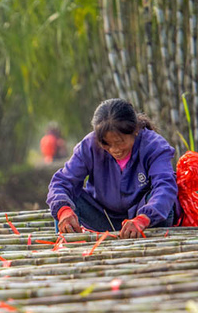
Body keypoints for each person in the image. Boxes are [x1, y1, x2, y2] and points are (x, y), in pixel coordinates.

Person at [47, 98, 181, 239]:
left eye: (119, 142)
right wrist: (64, 211)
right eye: (106, 144)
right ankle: (67, 250)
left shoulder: (154, 146)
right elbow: (61, 182)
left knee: (166, 205)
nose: (114, 150)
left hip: (143, 220)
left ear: (135, 130)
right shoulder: (89, 146)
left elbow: (165, 186)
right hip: (102, 216)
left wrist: (143, 218)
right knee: (65, 203)